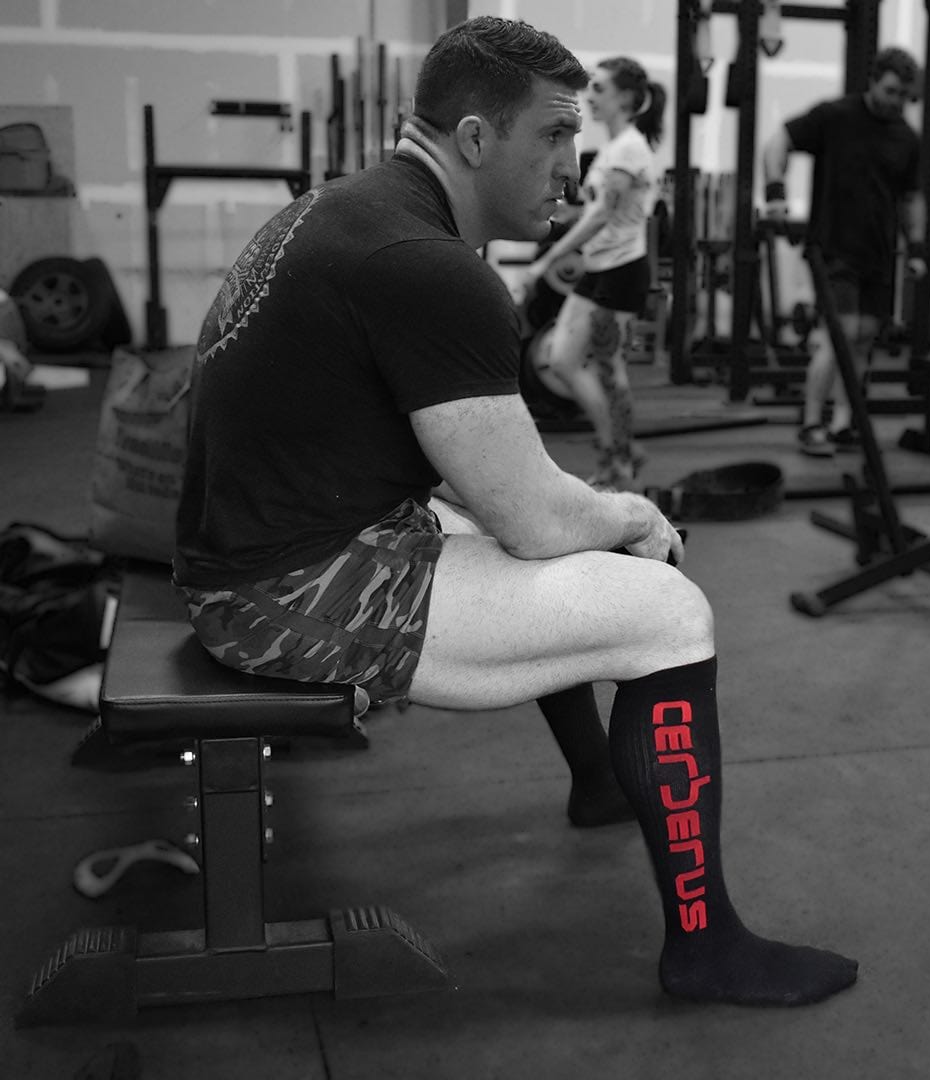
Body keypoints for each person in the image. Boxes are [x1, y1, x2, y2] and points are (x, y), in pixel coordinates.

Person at [174, 15, 857, 1006]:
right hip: (283, 594)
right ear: (474, 138)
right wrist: (633, 517)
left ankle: (600, 780)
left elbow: (485, 485)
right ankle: (707, 947)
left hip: (258, 553)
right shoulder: (429, 265)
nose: (573, 168)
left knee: (552, 541)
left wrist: (585, 519)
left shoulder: (348, 207)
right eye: (554, 136)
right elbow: (535, 518)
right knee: (670, 613)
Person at [762, 47, 927, 457]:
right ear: (873, 81)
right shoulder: (836, 116)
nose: (895, 101)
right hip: (834, 248)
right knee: (838, 336)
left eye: (903, 95)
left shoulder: (907, 138)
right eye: (890, 91)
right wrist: (776, 193)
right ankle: (811, 423)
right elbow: (778, 142)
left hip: (879, 253)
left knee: (864, 339)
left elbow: (911, 198)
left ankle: (842, 423)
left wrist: (918, 247)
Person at [522, 56, 665, 489]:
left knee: (608, 367)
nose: (591, 97)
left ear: (625, 97)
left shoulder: (630, 149)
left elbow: (603, 216)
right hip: (600, 268)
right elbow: (595, 210)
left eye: (600, 89)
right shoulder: (613, 149)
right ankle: (620, 447)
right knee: (562, 359)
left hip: (622, 273)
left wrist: (547, 259)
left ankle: (616, 458)